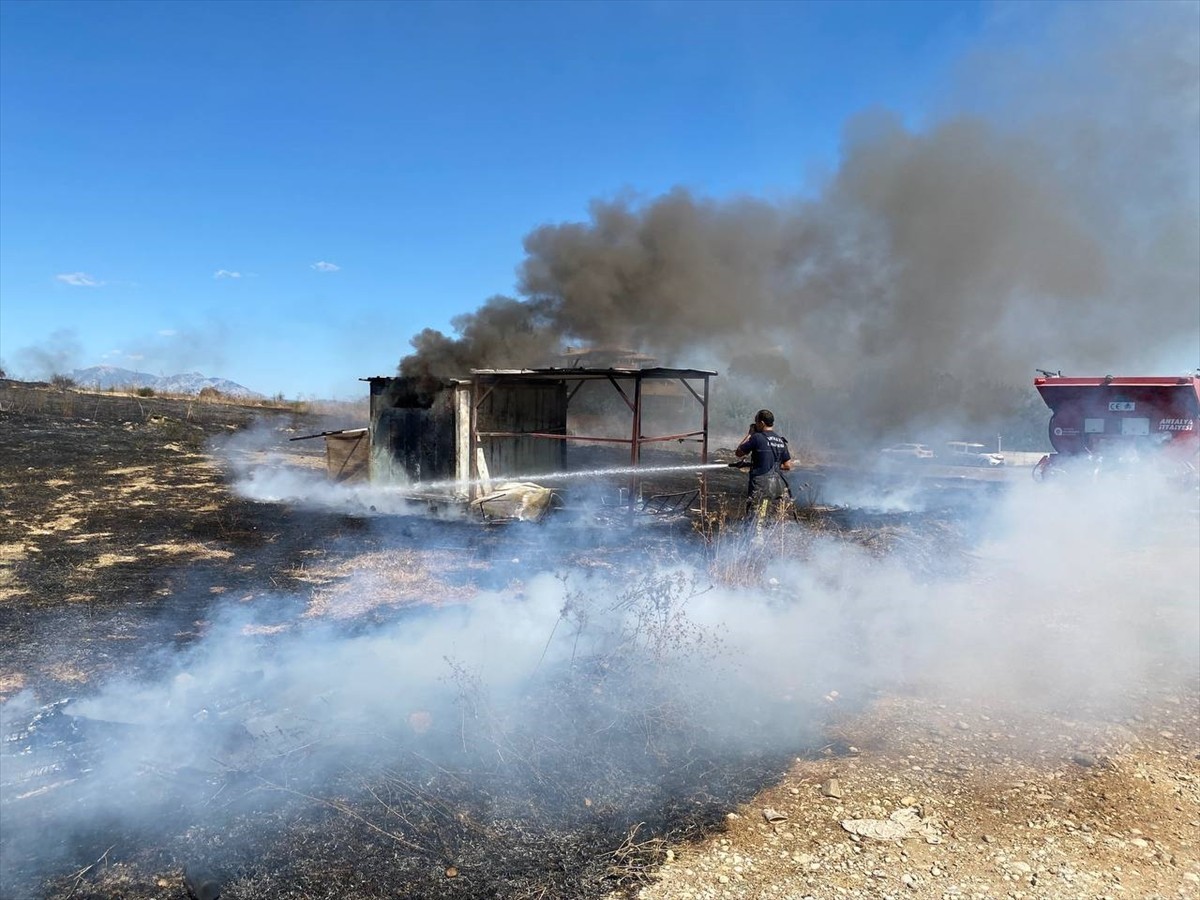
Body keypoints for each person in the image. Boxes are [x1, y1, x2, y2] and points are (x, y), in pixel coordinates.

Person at [735, 408, 793, 512]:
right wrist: (766, 463)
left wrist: (750, 434)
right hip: (777, 485)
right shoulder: (780, 440)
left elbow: (739, 453)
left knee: (756, 517)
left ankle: (755, 528)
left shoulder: (757, 437)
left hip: (761, 485)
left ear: (761, 423)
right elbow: (787, 465)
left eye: (756, 422)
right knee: (770, 517)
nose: (755, 425)